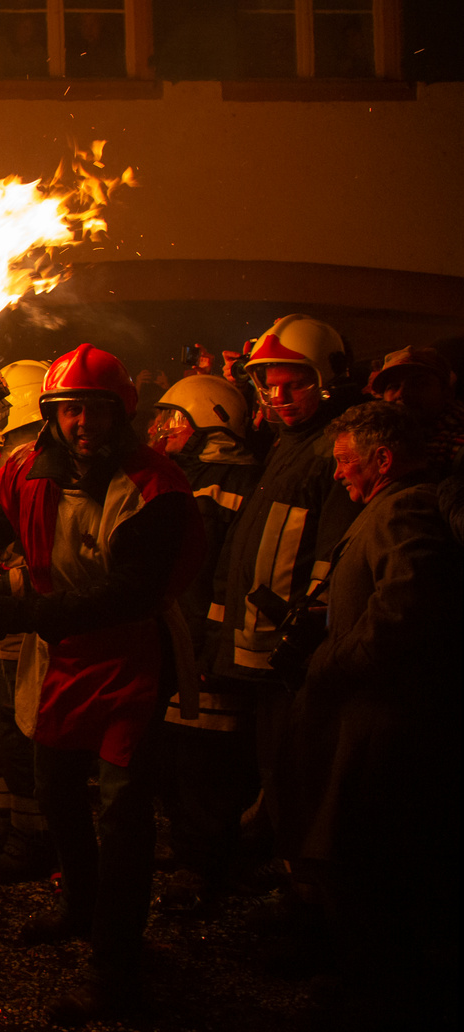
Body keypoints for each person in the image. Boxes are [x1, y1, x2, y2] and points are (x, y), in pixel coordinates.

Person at [0, 344, 203, 1025]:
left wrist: (19, 613)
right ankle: (80, 907)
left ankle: (114, 964)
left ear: (118, 414)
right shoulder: (20, 474)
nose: (81, 426)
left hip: (129, 661)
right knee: (55, 789)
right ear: (50, 417)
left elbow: (124, 595)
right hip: (60, 659)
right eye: (68, 412)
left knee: (122, 815)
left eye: (94, 412)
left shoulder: (153, 488)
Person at [286, 402, 461, 1026]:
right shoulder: (387, 509)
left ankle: (381, 998)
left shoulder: (404, 507)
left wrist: (334, 661)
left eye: (345, 461)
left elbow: (404, 608)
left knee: (369, 866)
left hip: (381, 726)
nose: (338, 475)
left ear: (382, 460)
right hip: (369, 720)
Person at [210, 314, 362, 943]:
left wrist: (309, 632)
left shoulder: (334, 448)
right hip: (262, 649)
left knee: (300, 775)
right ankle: (295, 888)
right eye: (268, 386)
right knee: (276, 770)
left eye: (292, 384)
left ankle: (314, 916)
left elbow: (333, 555)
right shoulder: (288, 445)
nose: (278, 398)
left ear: (324, 380)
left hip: (293, 653)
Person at [145, 375, 265, 914]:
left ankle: (205, 865)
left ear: (211, 425)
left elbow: (227, 572)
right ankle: (189, 849)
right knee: (177, 755)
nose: (162, 430)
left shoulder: (230, 481)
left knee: (206, 763)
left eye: (176, 420)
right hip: (181, 638)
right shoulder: (188, 475)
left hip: (206, 646)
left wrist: (213, 642)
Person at [0, 359, 57, 884]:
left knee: (19, 733)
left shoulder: (40, 471)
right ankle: (9, 818)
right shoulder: (8, 467)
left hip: (16, 625)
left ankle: (34, 833)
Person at [367, 344, 464, 476]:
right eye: (393, 386)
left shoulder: (455, 450)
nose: (402, 393)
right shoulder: (371, 441)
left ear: (447, 393)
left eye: (419, 384)